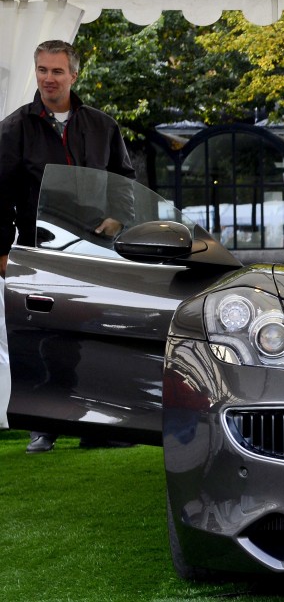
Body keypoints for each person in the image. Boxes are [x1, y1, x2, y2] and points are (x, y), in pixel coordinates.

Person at [0, 40, 136, 454]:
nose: (48, 79)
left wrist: (118, 218)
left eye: (57, 71)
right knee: (42, 338)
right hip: (39, 250)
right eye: (42, 70)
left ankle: (98, 426)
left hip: (96, 251)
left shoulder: (102, 125)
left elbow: (126, 182)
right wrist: (2, 253)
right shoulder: (13, 128)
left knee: (95, 337)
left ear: (74, 75)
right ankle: (44, 425)